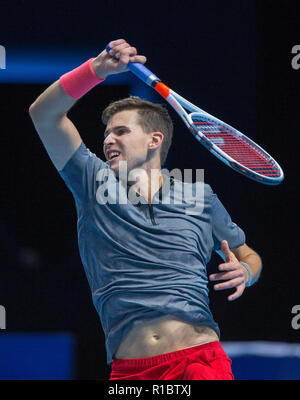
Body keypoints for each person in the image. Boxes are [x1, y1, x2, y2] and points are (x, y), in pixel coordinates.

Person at [29, 39, 262, 380]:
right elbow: (44, 114)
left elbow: (249, 255)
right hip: (132, 372)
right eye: (106, 133)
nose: (108, 140)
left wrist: (246, 273)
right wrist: (96, 70)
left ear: (154, 140)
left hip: (200, 361)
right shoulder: (93, 183)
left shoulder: (200, 196)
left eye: (121, 131)